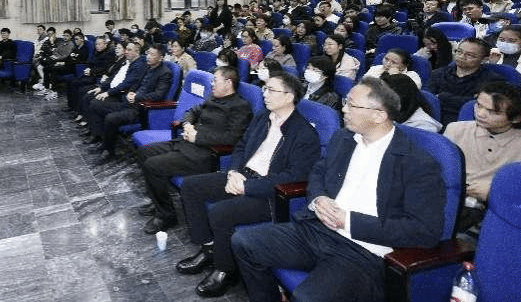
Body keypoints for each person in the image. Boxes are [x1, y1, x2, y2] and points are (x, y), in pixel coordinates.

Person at [231, 77, 446, 302]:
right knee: (243, 241)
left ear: (379, 115)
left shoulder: (416, 162)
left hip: (362, 250)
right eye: (346, 102)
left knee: (307, 297)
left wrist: (348, 221)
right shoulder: (344, 137)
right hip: (318, 229)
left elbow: (424, 231)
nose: (344, 109)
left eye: (352, 105)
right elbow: (318, 173)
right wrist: (319, 198)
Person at [175, 73, 321, 297]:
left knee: (221, 213)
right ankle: (209, 247)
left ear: (289, 96)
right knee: (191, 187)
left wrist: (248, 187)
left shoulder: (304, 133)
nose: (265, 94)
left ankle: (225, 270)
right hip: (243, 175)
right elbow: (242, 146)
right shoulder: (263, 117)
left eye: (271, 90)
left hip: (269, 193)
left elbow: (293, 176)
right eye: (265, 89)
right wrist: (233, 172)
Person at [137, 66, 253, 234]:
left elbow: (232, 137)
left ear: (228, 83)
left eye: (215, 80)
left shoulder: (240, 106)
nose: (212, 84)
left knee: (152, 165)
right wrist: (187, 124)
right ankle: (158, 202)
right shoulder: (213, 97)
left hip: (203, 154)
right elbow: (191, 111)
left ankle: (166, 215)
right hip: (185, 143)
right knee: (144, 152)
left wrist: (197, 137)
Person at [444, 82, 521, 232]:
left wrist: (494, 193)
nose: (480, 113)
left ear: (516, 118)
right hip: (451, 200)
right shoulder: (455, 130)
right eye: (479, 105)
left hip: (495, 213)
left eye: (493, 111)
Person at [88, 44, 172, 163]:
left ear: (161, 58)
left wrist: (137, 97)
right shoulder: (147, 67)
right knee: (96, 105)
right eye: (148, 53)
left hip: (141, 109)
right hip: (129, 102)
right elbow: (137, 83)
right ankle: (104, 141)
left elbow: (158, 95)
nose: (148, 56)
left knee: (111, 118)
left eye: (152, 54)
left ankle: (109, 151)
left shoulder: (165, 73)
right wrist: (131, 92)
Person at [426, 37, 498, 125]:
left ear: (484, 59)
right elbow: (428, 98)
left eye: (469, 55)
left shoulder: (492, 81)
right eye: (459, 52)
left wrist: (443, 96)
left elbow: (477, 105)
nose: (461, 57)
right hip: (431, 119)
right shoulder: (438, 73)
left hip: (467, 123)